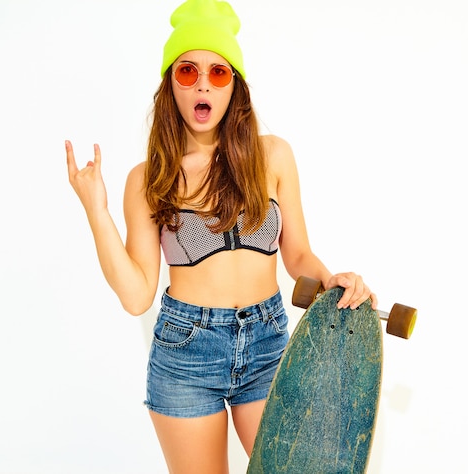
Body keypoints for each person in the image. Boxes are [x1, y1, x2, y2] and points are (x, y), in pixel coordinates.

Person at [65, 0, 376, 472]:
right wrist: (96, 210)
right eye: (188, 71)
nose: (204, 83)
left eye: (219, 71)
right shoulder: (148, 179)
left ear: (236, 86)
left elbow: (298, 256)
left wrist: (334, 280)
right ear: (171, 84)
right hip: (186, 354)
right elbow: (135, 295)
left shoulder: (272, 156)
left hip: (268, 342)